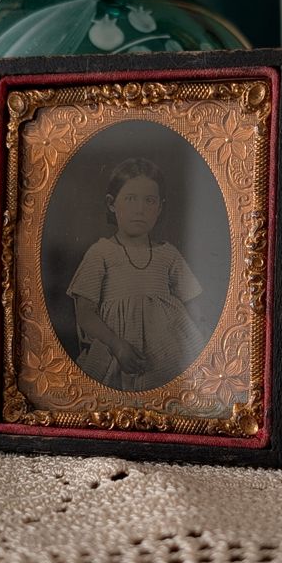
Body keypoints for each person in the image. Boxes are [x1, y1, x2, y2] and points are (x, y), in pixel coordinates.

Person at [67, 158, 205, 391]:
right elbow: (85, 313)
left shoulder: (168, 254)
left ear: (159, 207)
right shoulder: (101, 253)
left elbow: (194, 305)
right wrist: (117, 345)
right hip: (114, 352)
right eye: (130, 199)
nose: (140, 209)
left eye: (149, 201)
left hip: (167, 357)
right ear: (112, 204)